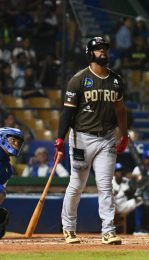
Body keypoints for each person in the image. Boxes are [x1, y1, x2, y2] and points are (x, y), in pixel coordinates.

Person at [54, 36, 128, 245]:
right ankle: (68, 228)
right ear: (90, 53)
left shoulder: (116, 80)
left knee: (106, 186)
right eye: (98, 49)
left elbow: (120, 110)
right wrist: (60, 137)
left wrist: (124, 134)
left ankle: (108, 230)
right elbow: (67, 113)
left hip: (107, 138)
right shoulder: (78, 79)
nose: (102, 52)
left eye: (104, 48)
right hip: (81, 139)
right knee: (77, 185)